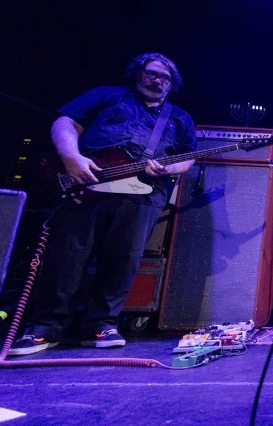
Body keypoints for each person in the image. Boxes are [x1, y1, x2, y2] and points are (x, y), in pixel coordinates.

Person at [10, 53, 197, 356]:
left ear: (172, 83)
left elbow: (188, 156)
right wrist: (72, 158)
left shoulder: (179, 117)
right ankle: (45, 326)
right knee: (66, 255)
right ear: (138, 74)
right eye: (152, 73)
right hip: (86, 185)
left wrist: (168, 169)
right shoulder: (107, 95)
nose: (157, 80)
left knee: (123, 259)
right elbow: (65, 122)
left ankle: (101, 323)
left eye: (165, 77)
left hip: (143, 193)